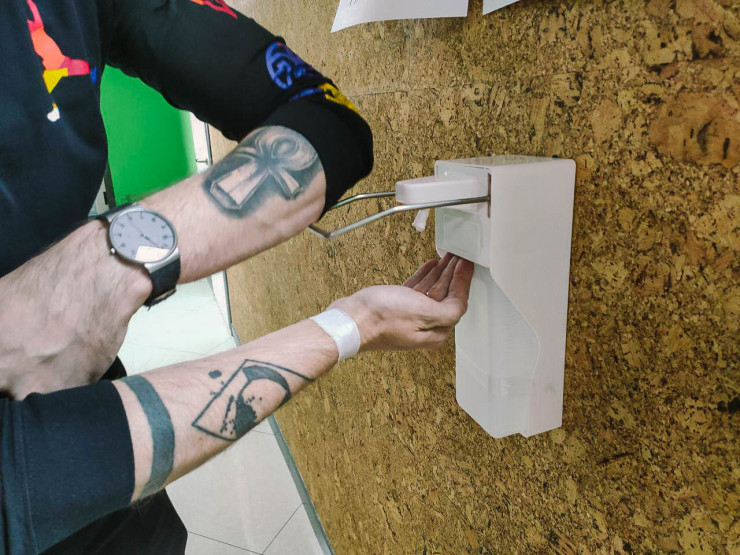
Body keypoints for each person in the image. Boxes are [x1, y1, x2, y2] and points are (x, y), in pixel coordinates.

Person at [0, 0, 475, 552]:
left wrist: (107, 266)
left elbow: (328, 121)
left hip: (107, 492)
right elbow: (28, 473)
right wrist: (353, 324)